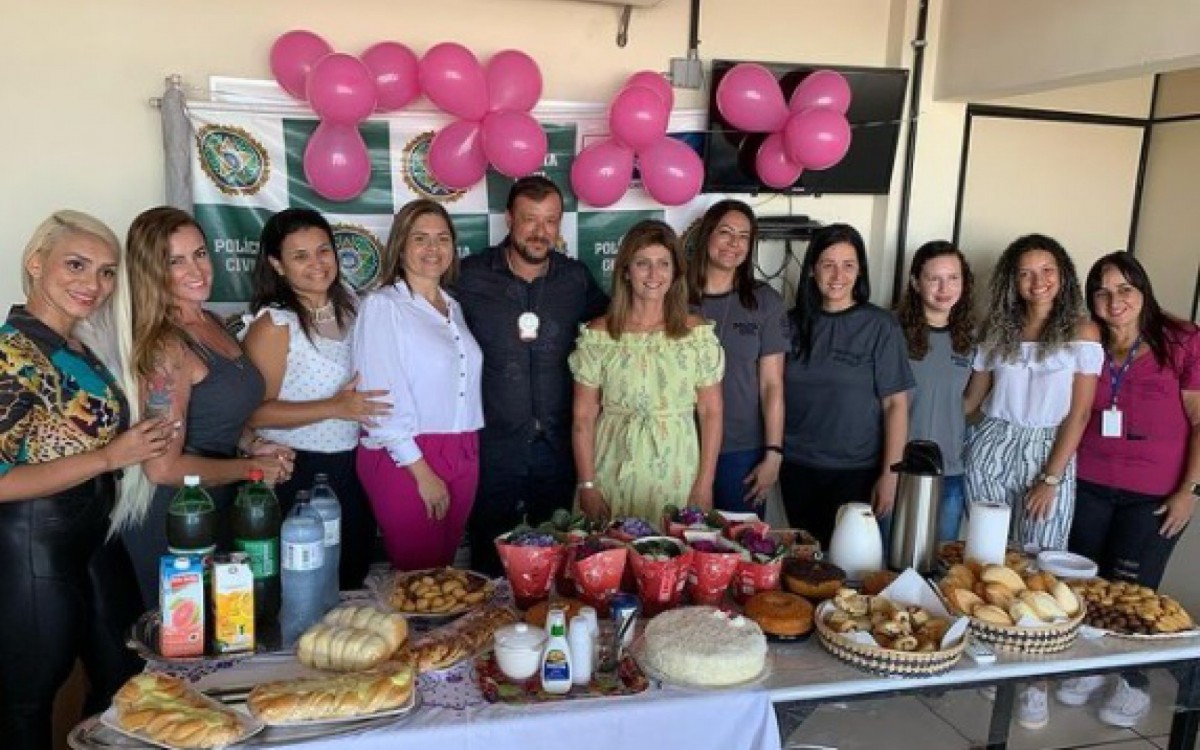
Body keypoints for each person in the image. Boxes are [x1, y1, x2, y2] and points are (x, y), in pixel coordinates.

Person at [0, 211, 172, 749]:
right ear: (35, 263)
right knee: (25, 702)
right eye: (76, 265)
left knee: (126, 677)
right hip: (33, 545)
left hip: (94, 538)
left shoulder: (77, 349)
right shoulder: (10, 353)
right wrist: (109, 457)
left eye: (106, 271)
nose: (93, 284)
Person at [117, 206, 294, 608]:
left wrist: (253, 445)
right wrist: (250, 469)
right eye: (174, 261)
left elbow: (219, 412)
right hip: (179, 518)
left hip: (221, 502)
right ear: (150, 271)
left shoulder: (210, 320)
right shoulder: (167, 346)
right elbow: (161, 467)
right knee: (190, 647)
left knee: (231, 632)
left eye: (199, 253)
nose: (196, 269)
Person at [1053, 252, 1200, 727]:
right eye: (1103, 292)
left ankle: (1131, 682)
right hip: (1090, 484)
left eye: (1125, 290)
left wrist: (1190, 491)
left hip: (1154, 495)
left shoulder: (1182, 340)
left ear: (1143, 291)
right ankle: (1089, 671)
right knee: (1086, 588)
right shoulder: (1089, 343)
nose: (1115, 302)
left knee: (1134, 593)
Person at [962, 233, 1101, 730]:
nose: (1036, 281)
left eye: (1046, 271)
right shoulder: (996, 330)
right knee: (988, 558)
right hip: (994, 445)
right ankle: (992, 654)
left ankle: (1035, 680)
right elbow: (972, 401)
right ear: (1012, 281)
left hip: (1049, 451)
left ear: (1062, 276)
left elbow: (1081, 412)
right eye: (1025, 272)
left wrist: (1051, 477)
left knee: (1043, 561)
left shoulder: (1082, 332)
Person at [454, 176, 608, 574]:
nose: (540, 233)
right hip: (494, 445)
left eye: (550, 221)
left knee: (556, 561)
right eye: (529, 220)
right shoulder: (469, 276)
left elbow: (615, 330)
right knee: (488, 564)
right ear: (509, 219)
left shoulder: (575, 279)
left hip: (557, 447)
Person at [242, 208, 390, 590]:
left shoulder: (355, 306)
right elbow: (254, 413)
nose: (317, 264)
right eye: (300, 256)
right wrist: (335, 407)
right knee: (306, 587)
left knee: (352, 575)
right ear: (277, 264)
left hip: (355, 466)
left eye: (323, 250)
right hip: (299, 474)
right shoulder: (275, 325)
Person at [353, 199, 483, 571]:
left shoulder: (453, 307)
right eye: (420, 238)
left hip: (463, 447)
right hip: (408, 453)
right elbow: (379, 401)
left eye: (443, 238)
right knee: (419, 574)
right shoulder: (383, 307)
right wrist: (421, 471)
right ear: (401, 245)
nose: (433, 248)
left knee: (443, 572)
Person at [570, 219, 724, 524]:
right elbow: (583, 416)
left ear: (675, 272)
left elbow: (711, 412)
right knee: (608, 560)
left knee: (670, 561)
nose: (654, 275)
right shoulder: (599, 335)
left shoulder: (697, 335)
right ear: (626, 271)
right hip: (611, 466)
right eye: (643, 264)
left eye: (663, 264)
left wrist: (705, 483)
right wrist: (587, 484)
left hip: (678, 470)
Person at [779, 223, 913, 548]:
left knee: (850, 568)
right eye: (828, 264)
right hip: (797, 467)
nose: (838, 275)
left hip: (857, 471)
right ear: (812, 270)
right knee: (806, 564)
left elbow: (896, 405)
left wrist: (890, 475)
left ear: (860, 271)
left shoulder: (880, 326)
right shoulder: (792, 324)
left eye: (848, 265)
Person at [687, 200, 788, 515]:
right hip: (681, 445)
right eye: (726, 233)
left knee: (738, 548)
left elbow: (772, 385)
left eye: (744, 236)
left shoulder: (765, 302)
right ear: (707, 236)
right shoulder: (674, 296)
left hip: (741, 450)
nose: (734, 244)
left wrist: (773, 453)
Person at [895, 240, 976, 542]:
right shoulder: (891, 330)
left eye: (953, 278)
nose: (945, 288)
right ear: (916, 282)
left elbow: (968, 402)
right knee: (889, 565)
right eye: (934, 278)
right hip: (897, 468)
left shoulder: (970, 339)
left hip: (949, 470)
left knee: (939, 563)